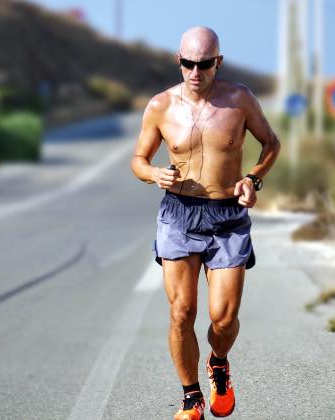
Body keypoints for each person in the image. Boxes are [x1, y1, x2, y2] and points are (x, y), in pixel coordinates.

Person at [130, 27, 280, 420]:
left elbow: (271, 143)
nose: (195, 72)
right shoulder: (161, 105)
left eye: (204, 64)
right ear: (178, 61)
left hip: (228, 215)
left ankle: (218, 362)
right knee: (181, 312)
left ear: (219, 62)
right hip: (179, 213)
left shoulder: (239, 99)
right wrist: (153, 175)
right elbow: (138, 159)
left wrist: (253, 179)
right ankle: (191, 397)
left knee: (223, 318)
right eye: (187, 63)